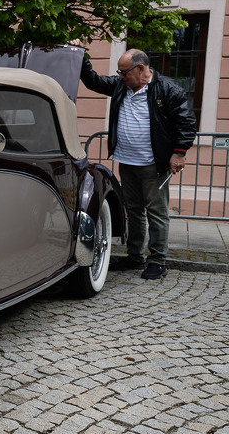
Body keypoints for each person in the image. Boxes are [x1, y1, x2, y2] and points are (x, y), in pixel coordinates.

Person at [80, 48, 196, 280]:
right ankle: (135, 256)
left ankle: (157, 261)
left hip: (154, 164)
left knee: (156, 213)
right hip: (127, 161)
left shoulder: (167, 89)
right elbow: (94, 81)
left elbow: (187, 123)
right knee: (133, 211)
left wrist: (179, 153)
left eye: (124, 72)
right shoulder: (121, 86)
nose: (121, 76)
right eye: (119, 73)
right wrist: (82, 58)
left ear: (141, 68)